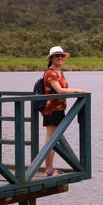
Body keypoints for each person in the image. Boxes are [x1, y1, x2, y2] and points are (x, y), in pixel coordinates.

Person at [42, 46, 86, 176]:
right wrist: (77, 90)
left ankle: (50, 169)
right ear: (51, 58)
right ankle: (48, 170)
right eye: (57, 56)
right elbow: (60, 90)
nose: (60, 58)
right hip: (51, 110)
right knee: (50, 140)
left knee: (53, 140)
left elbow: (63, 89)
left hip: (60, 110)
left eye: (61, 56)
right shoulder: (50, 73)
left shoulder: (60, 72)